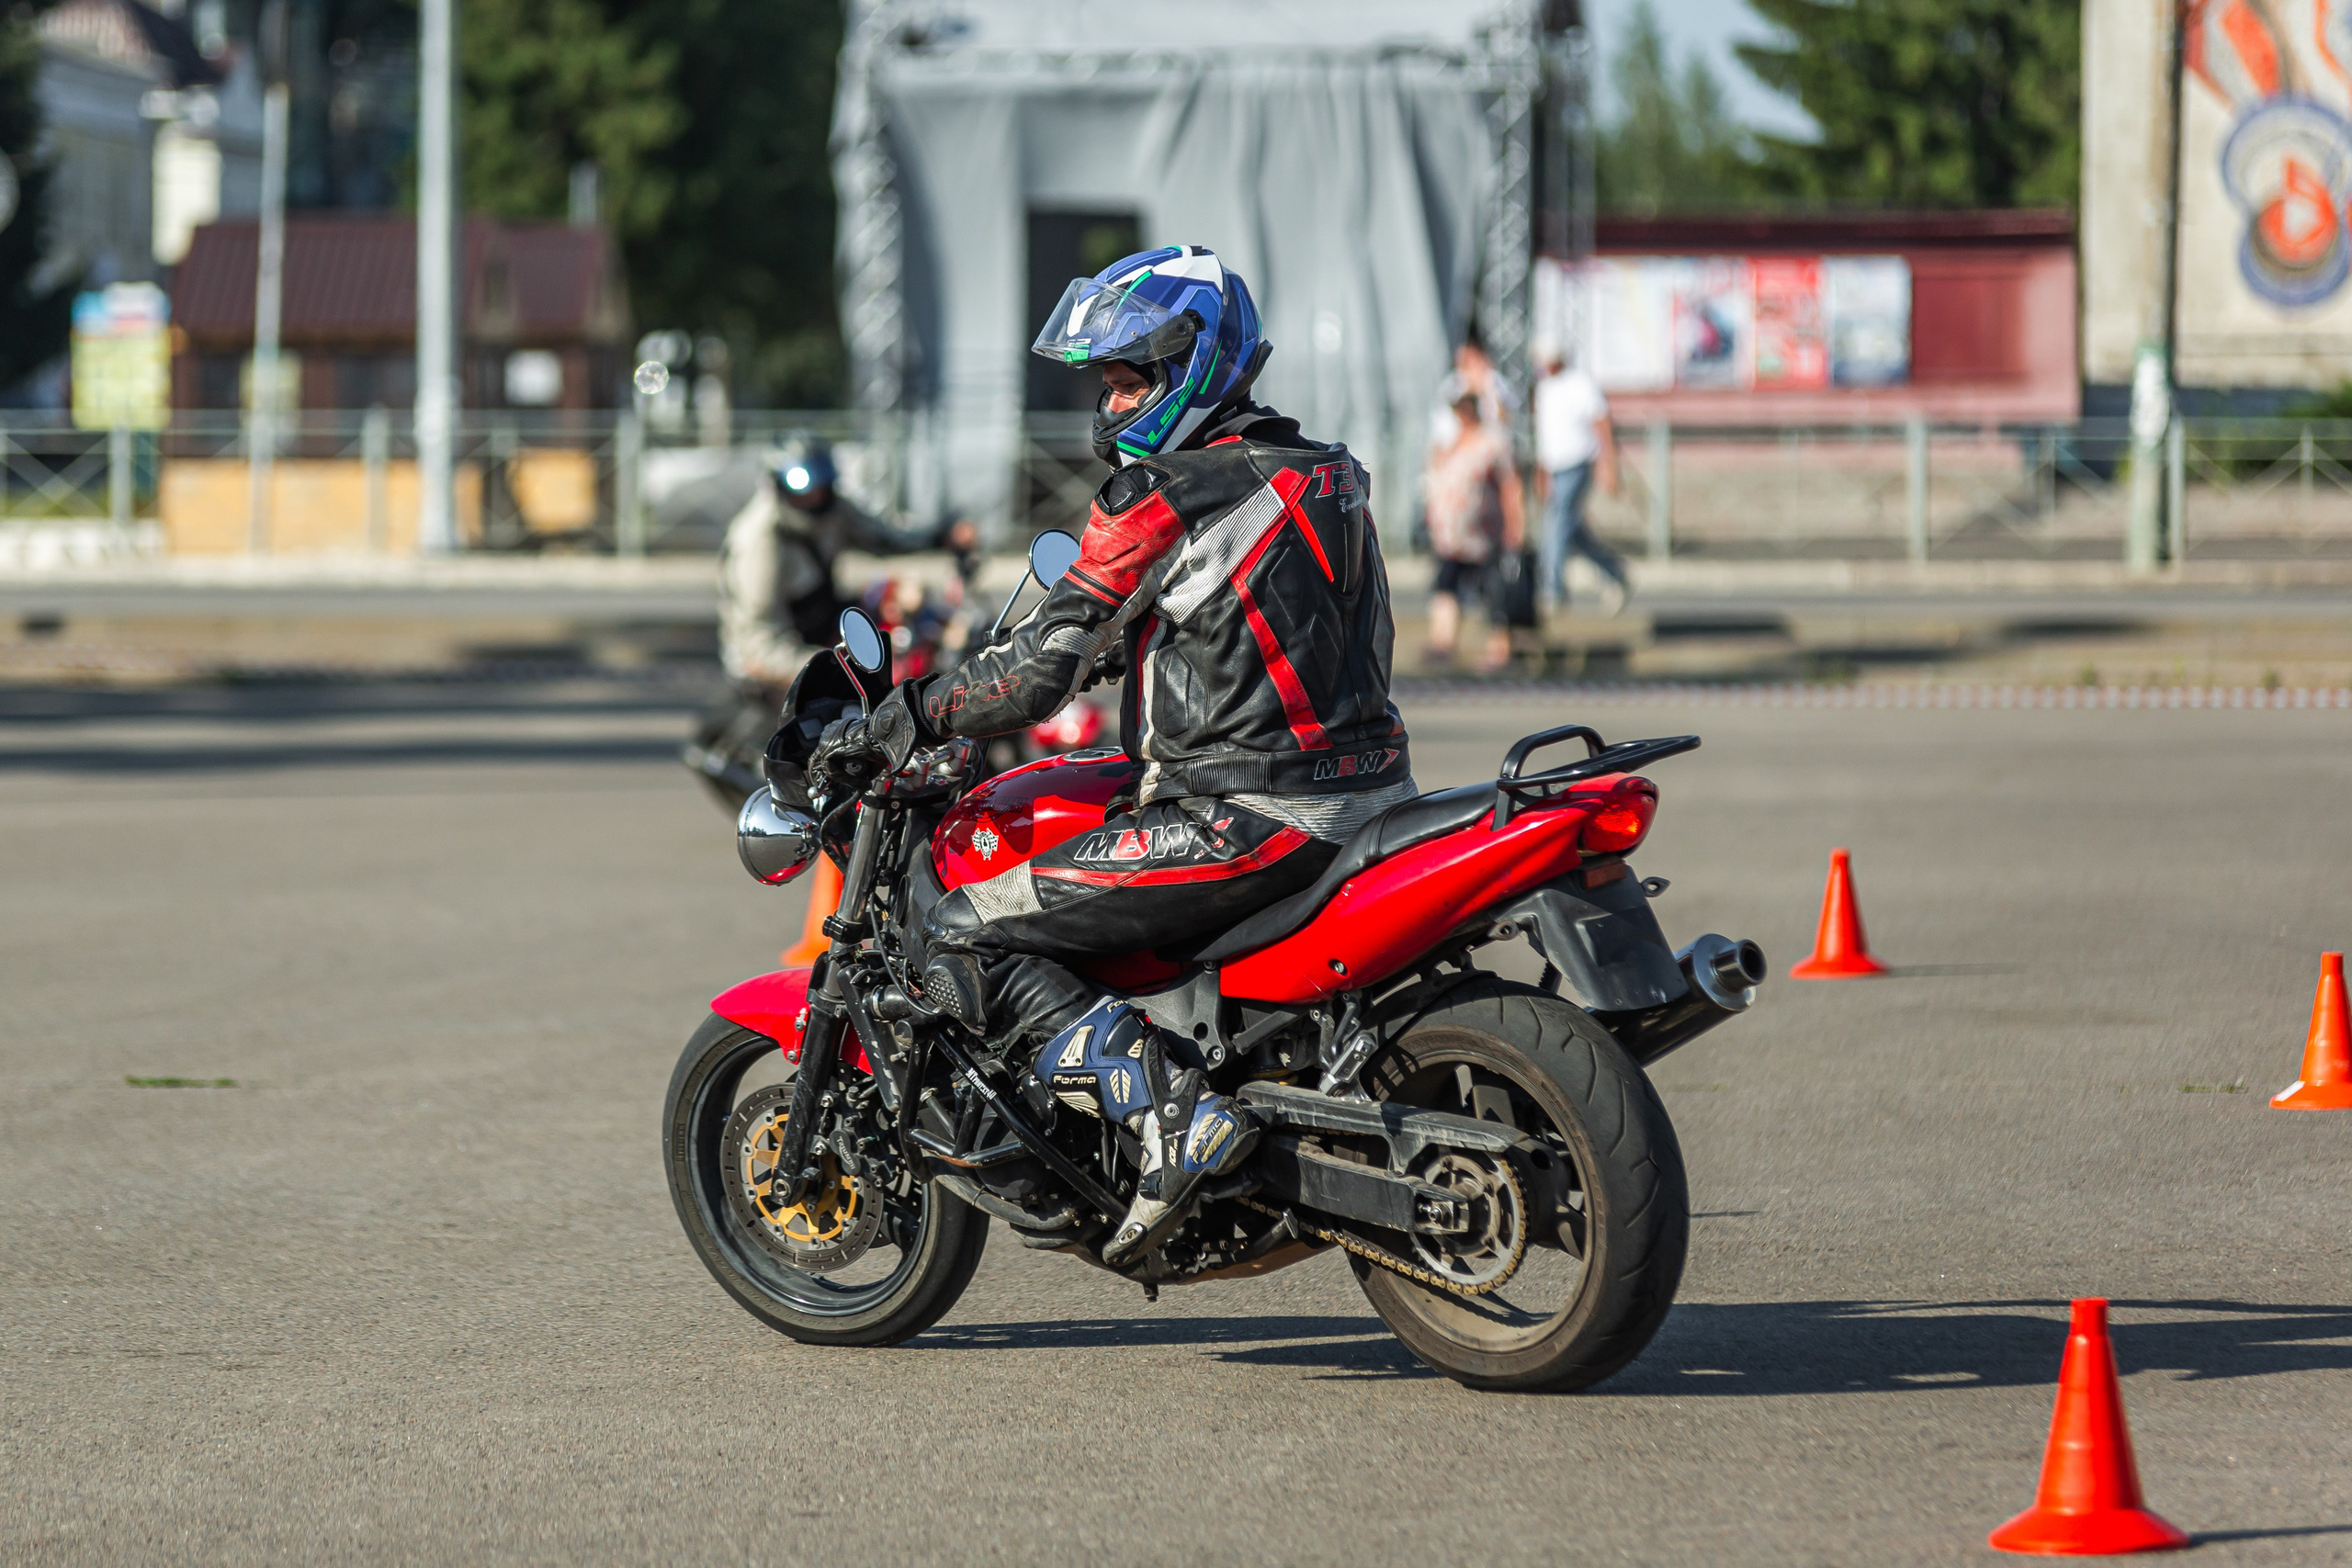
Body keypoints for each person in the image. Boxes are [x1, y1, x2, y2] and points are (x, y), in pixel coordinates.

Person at [816, 244, 1415, 1263]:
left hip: (1245, 812)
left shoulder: (1160, 493)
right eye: (1106, 377)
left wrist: (907, 714)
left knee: (967, 932)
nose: (1110, 398)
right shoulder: (1327, 470)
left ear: (1193, 360)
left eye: (1130, 374)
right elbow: (1273, 622)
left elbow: (1033, 678)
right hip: (1375, 798)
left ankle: (1172, 1116)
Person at [717, 435, 976, 689]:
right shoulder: (759, 543)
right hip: (776, 671)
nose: (815, 498)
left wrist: (941, 536)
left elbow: (883, 538)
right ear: (778, 485)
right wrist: (840, 667)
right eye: (805, 489)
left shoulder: (833, 512)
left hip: (821, 631)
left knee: (899, 607)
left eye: (822, 487)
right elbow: (759, 648)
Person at [1419, 377, 1525, 672]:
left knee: (1493, 590)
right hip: (1450, 534)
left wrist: (1515, 525)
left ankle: (1499, 648)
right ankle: (1443, 643)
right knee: (1445, 586)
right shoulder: (1451, 442)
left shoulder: (1493, 441)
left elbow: (1509, 485)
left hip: (1483, 533)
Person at [1531, 347, 1630, 617]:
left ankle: (1552, 590)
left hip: (1578, 464)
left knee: (1558, 522)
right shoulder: (1544, 388)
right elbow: (1545, 437)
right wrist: (1542, 473)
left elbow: (1601, 424)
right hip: (1555, 467)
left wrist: (1608, 466)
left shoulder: (1580, 383)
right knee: (1570, 530)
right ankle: (1613, 572)